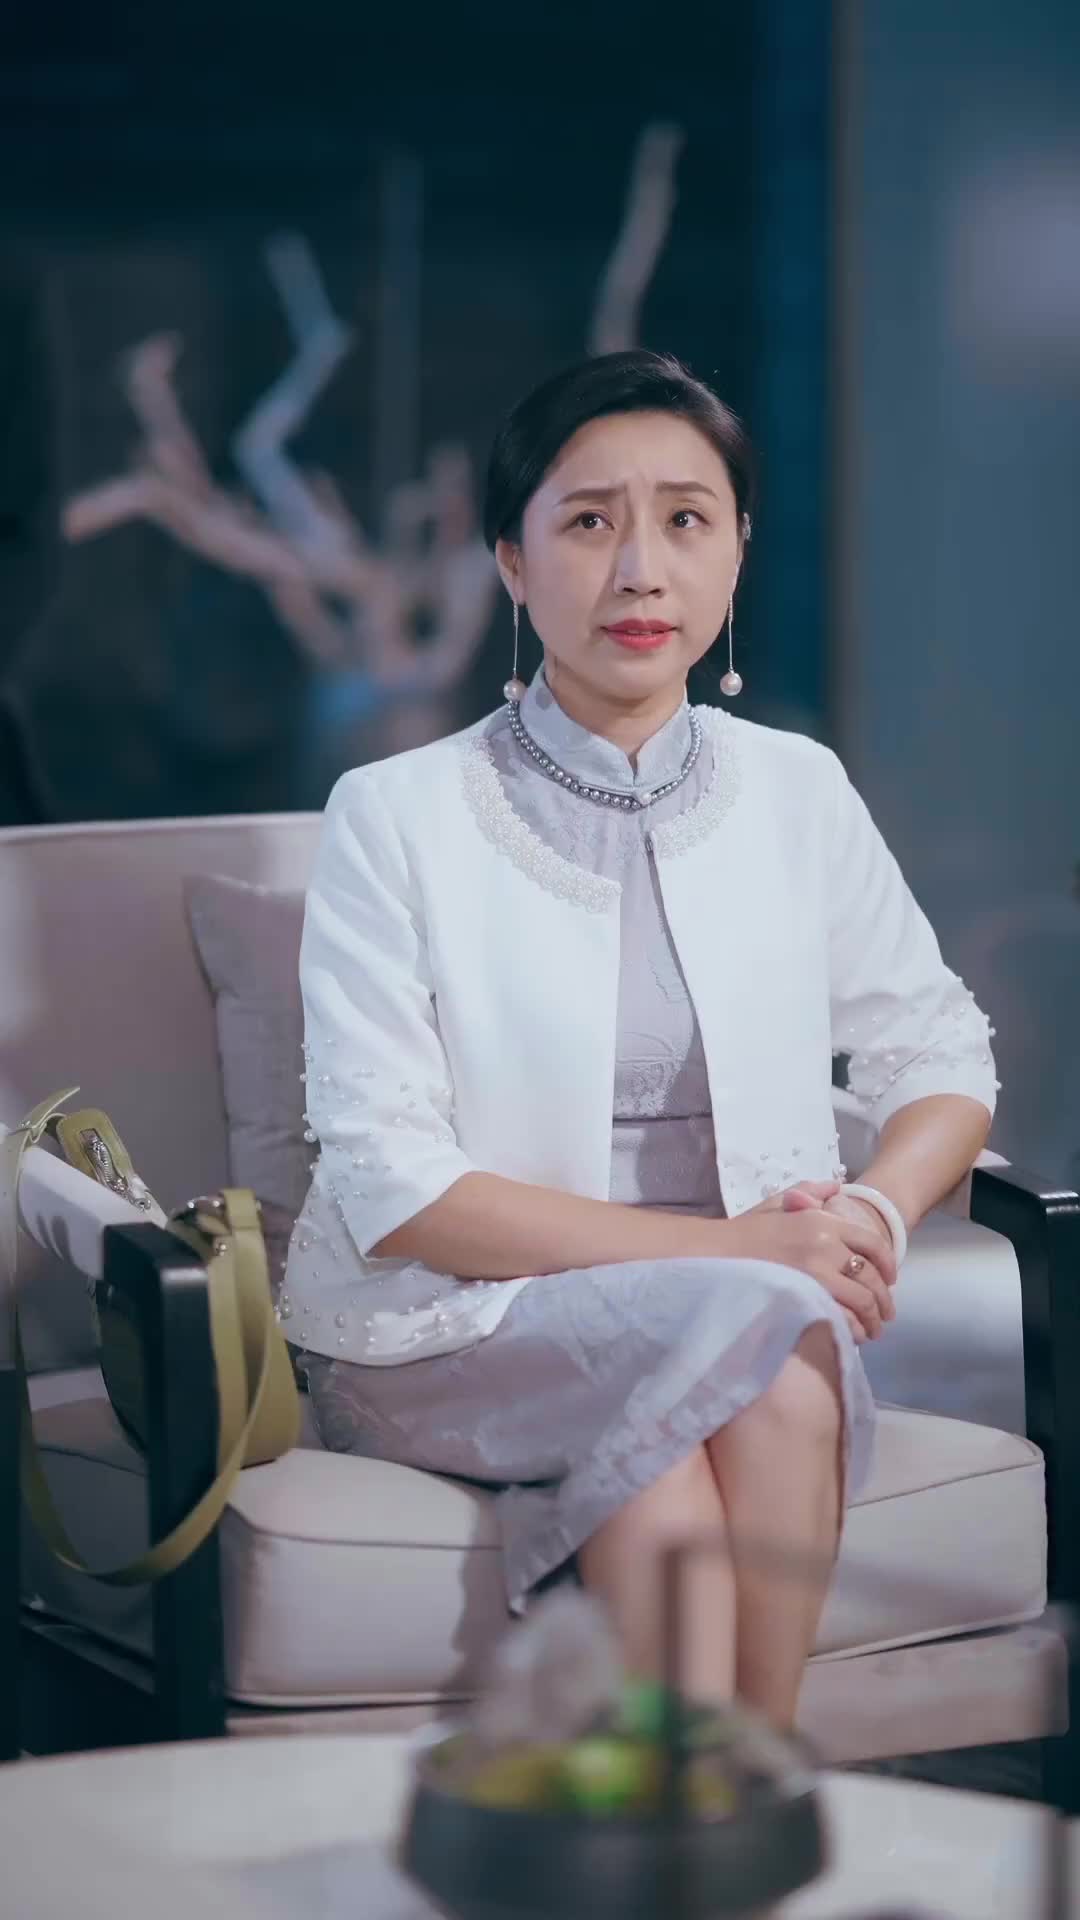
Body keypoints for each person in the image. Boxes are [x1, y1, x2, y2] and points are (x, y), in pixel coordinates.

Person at [284, 350, 997, 1728]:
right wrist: (749, 1255)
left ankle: (723, 1797)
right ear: (511, 561)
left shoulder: (797, 790)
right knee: (771, 1327)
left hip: (753, 1300)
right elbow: (396, 1191)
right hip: (459, 1317)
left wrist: (868, 1215)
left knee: (720, 1397)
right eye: (588, 521)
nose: (639, 570)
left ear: (737, 551)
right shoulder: (395, 814)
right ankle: (759, 1792)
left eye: (684, 518)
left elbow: (942, 1054)